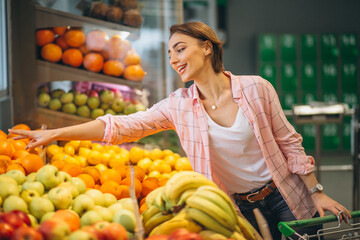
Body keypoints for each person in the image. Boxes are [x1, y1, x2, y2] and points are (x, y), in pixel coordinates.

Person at [10, 21, 350, 239]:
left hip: (286, 197)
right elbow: (122, 126)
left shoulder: (256, 88)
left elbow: (290, 144)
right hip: (233, 207)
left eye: (180, 48)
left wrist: (317, 191)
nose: (173, 58)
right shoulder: (178, 105)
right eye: (170, 52)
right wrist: (57, 134)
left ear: (207, 47)